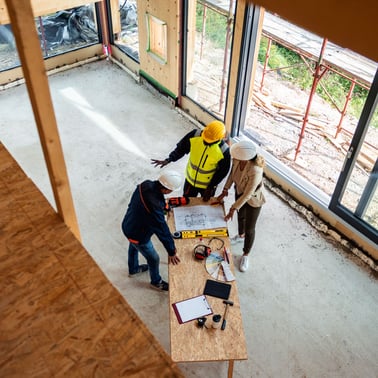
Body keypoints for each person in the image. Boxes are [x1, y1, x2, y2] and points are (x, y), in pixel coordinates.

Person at [121, 171, 182, 291]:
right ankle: (156, 281)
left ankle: (133, 269)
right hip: (138, 235)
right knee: (154, 258)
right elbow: (162, 230)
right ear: (166, 189)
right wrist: (171, 251)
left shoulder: (145, 185)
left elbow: (151, 199)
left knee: (133, 246)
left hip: (128, 225)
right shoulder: (153, 209)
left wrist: (163, 206)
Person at [216, 140, 266, 272]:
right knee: (241, 217)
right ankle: (240, 236)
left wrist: (233, 208)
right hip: (240, 192)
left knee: (250, 228)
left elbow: (249, 194)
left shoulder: (255, 169)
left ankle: (246, 254)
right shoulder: (237, 160)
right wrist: (225, 190)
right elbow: (232, 176)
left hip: (253, 199)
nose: (233, 158)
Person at [151, 121, 231, 202]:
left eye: (209, 141)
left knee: (205, 205)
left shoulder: (224, 151)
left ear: (219, 138)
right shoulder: (194, 135)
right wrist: (169, 159)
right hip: (190, 181)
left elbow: (222, 172)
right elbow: (181, 148)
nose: (206, 141)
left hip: (207, 186)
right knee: (186, 201)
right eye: (205, 138)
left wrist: (211, 186)